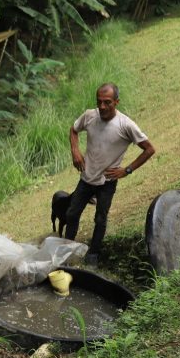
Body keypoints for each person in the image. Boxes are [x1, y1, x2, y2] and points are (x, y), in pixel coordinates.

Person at [64, 83, 155, 266]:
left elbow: (149, 149)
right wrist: (75, 150)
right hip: (87, 177)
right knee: (72, 214)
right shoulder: (90, 116)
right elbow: (74, 130)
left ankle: (94, 254)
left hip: (108, 181)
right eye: (99, 102)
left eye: (107, 102)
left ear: (116, 102)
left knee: (100, 218)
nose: (102, 107)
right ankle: (65, 249)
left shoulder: (126, 125)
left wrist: (127, 170)